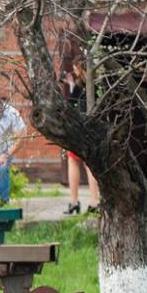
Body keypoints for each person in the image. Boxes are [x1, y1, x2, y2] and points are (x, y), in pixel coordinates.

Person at [59, 61, 99, 216]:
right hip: (93, 128)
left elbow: (71, 106)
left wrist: (70, 85)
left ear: (79, 67)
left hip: (78, 128)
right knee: (90, 164)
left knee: (74, 161)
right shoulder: (96, 84)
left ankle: (74, 201)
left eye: (75, 67)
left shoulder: (80, 86)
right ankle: (94, 201)